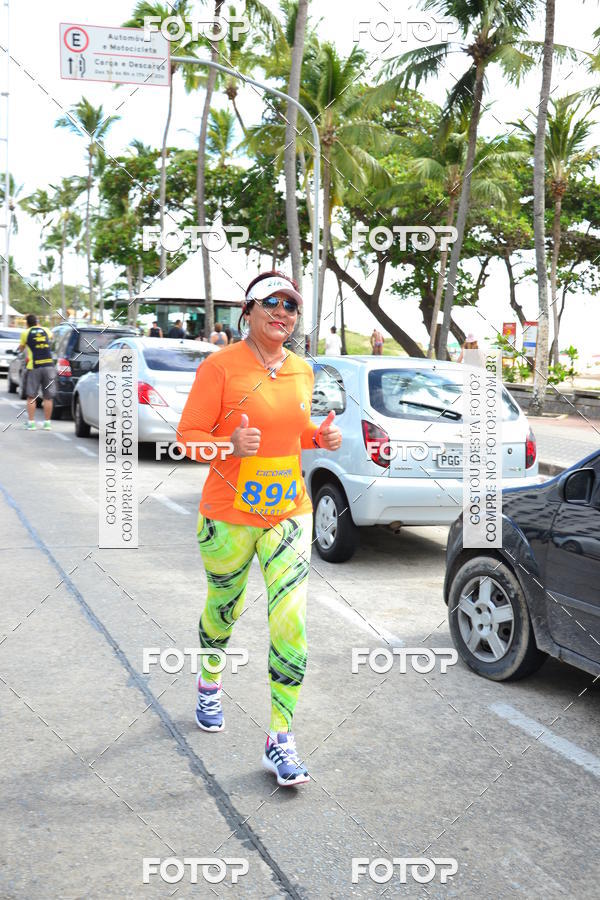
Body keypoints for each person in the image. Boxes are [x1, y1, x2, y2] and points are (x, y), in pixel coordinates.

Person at [178, 270, 342, 788]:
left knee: (290, 621)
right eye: (270, 302)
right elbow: (187, 437)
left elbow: (292, 433)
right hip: (226, 515)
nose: (282, 312)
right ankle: (210, 682)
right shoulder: (220, 366)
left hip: (289, 513)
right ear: (247, 311)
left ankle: (280, 737)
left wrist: (320, 437)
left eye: (291, 305)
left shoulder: (302, 370)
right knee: (223, 608)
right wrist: (226, 446)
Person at [19, 314, 57, 431]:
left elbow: (21, 348)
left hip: (34, 367)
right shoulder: (46, 330)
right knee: (48, 397)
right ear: (37, 322)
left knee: (31, 396)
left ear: (27, 324)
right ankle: (47, 424)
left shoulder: (25, 333)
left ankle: (31, 423)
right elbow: (52, 337)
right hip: (49, 366)